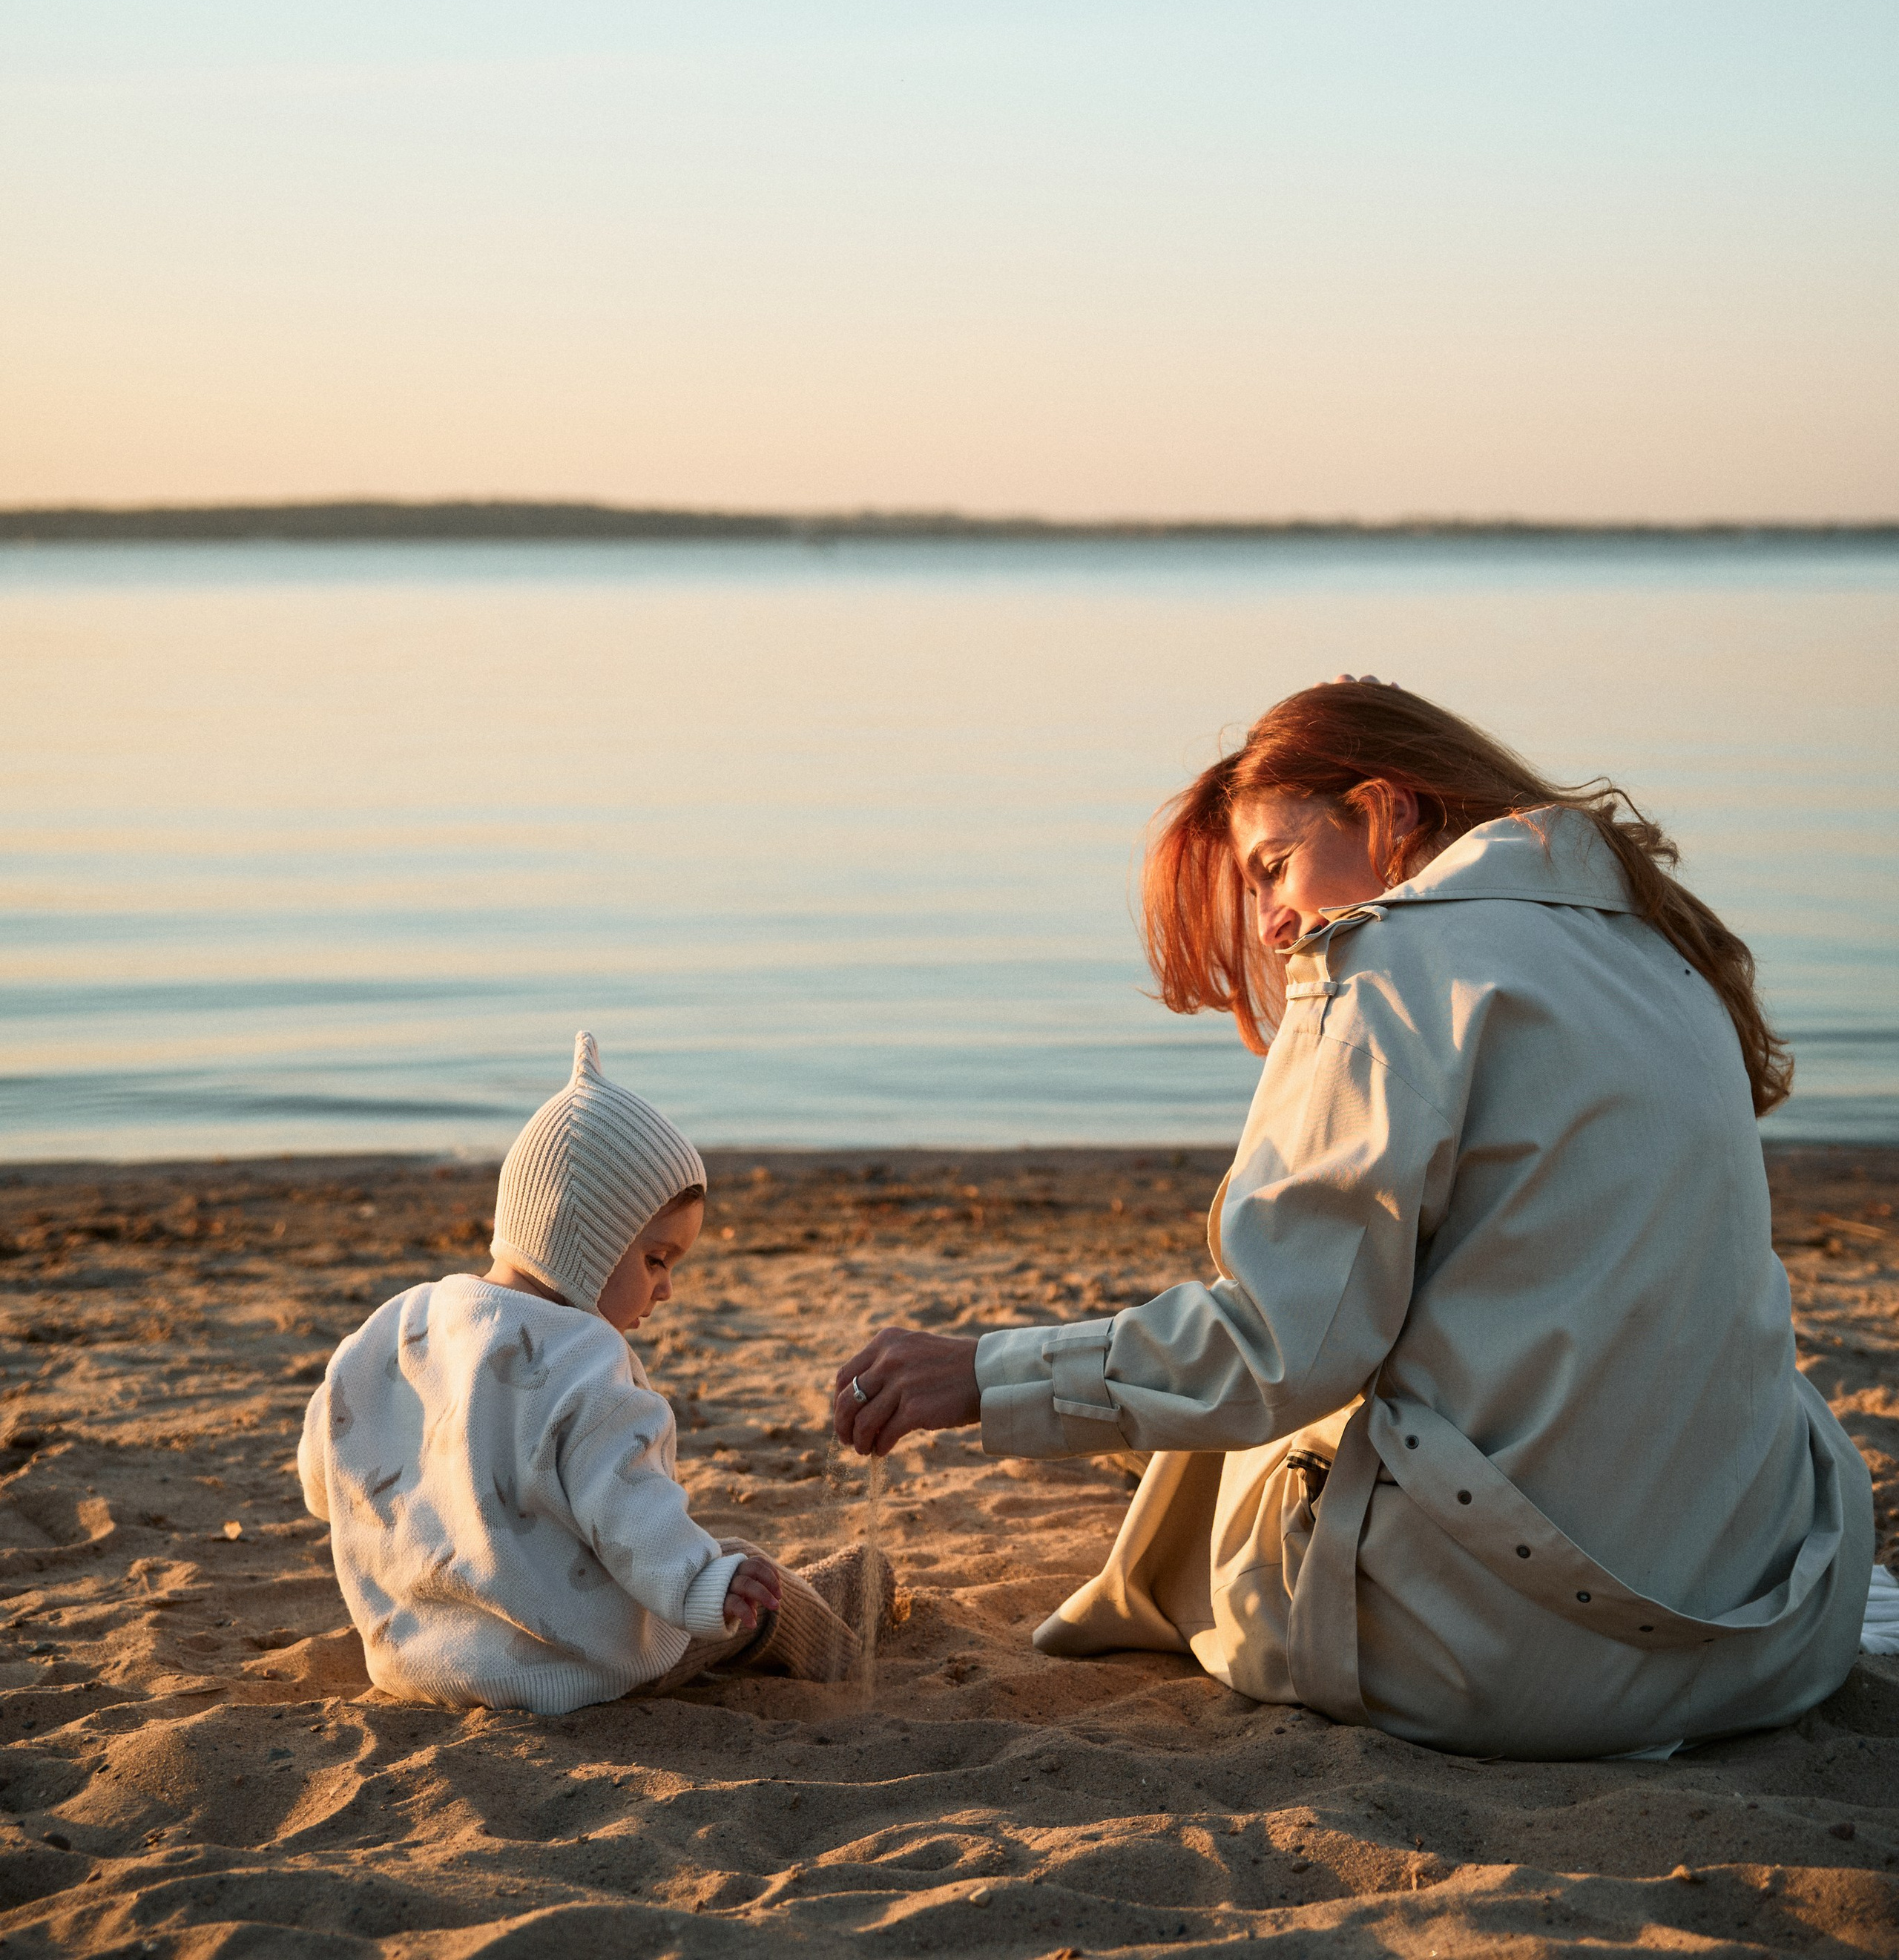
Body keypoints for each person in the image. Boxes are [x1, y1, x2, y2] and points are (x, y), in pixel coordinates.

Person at [834, 680, 1874, 1760]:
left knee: (1265, 1397)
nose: (1271, 920)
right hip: (1769, 1631)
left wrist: (986, 1373)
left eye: (1273, 867)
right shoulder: (1665, 948)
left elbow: (1281, 1349)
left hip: (1498, 1666)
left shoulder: (1388, 964)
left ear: (1386, 813)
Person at [301, 1032, 861, 1711]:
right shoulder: (585, 1362)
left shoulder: (397, 1324)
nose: (666, 1291)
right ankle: (851, 1634)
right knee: (745, 1579)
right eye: (657, 1260)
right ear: (583, 1239)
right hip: (570, 1670)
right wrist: (702, 1585)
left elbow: (325, 1473)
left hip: (416, 1659)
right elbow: (629, 1505)